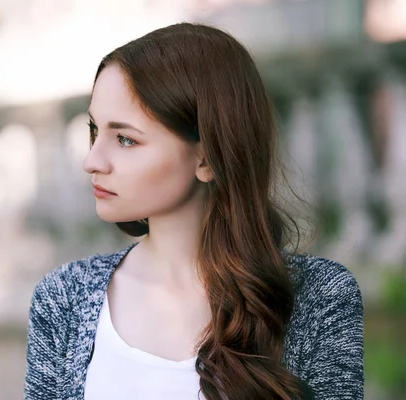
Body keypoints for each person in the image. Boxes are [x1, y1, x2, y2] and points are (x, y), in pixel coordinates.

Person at [24, 22, 364, 400]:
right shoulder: (64, 299)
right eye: (94, 130)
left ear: (207, 157)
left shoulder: (319, 298)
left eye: (124, 139)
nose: (91, 160)